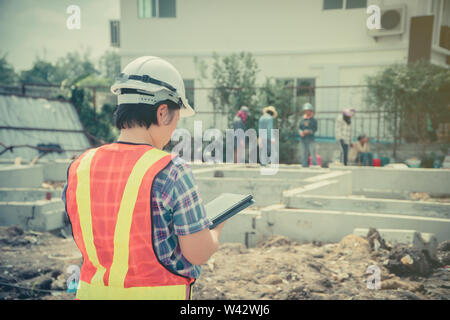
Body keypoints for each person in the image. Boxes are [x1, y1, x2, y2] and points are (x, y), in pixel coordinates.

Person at [62, 56, 225, 300]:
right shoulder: (171, 170)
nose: (173, 132)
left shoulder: (79, 166)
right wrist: (215, 230)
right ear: (162, 113)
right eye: (176, 120)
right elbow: (197, 253)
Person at [298, 103, 318, 168]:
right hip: (303, 138)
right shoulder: (302, 119)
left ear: (311, 111)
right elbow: (299, 127)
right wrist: (301, 132)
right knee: (304, 152)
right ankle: (304, 164)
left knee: (313, 152)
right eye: (306, 110)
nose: (307, 112)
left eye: (308, 110)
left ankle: (315, 164)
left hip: (310, 138)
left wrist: (309, 131)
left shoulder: (313, 120)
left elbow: (315, 129)